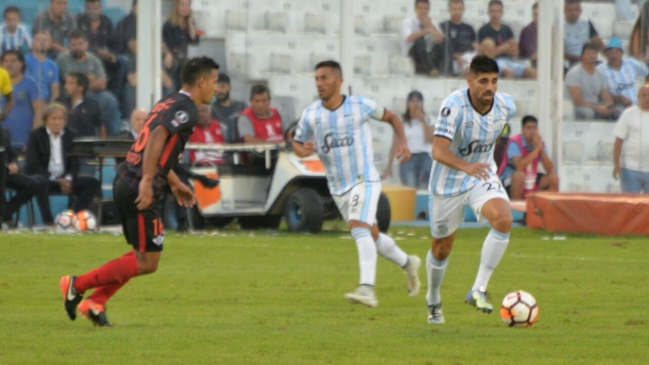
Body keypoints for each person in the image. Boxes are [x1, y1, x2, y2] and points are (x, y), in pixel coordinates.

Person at [58, 57, 218, 326]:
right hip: (139, 185)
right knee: (148, 261)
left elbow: (156, 147)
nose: (216, 86)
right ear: (201, 82)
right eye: (214, 81)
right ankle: (76, 284)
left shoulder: (168, 101)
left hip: (128, 179)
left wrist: (175, 183)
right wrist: (147, 180)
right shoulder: (187, 109)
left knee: (141, 256)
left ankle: (95, 302)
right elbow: (157, 137)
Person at [293, 60, 421, 308]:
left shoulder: (360, 106)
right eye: (317, 79)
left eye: (325, 78)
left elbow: (392, 117)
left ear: (339, 81)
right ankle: (408, 263)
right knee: (371, 234)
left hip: (365, 179)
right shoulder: (310, 114)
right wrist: (302, 150)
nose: (319, 83)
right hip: (338, 187)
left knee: (358, 227)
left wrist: (403, 142)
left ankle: (367, 289)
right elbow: (297, 143)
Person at [426, 55, 516, 324]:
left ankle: (478, 288)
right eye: (483, 81)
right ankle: (433, 299)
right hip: (447, 184)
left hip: (480, 175)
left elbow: (495, 134)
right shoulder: (453, 105)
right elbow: (438, 150)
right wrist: (465, 166)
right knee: (442, 249)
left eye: (494, 81)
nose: (490, 87)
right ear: (469, 80)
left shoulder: (506, 106)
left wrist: (480, 164)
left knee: (503, 219)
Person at [25, 103, 101, 225]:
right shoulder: (35, 136)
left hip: (66, 179)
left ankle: (72, 219)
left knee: (92, 182)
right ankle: (48, 223)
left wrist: (68, 179)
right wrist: (56, 179)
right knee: (40, 182)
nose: (57, 122)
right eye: (53, 119)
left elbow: (75, 164)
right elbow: (33, 165)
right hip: (46, 179)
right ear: (46, 120)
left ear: (65, 121)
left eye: (60, 119)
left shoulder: (71, 135)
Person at [56, 29, 121, 136]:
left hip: (93, 93)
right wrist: (89, 78)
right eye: (74, 44)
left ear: (87, 44)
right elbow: (71, 81)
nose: (77, 47)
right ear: (68, 46)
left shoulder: (94, 59)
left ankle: (110, 138)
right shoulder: (63, 59)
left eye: (80, 44)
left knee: (110, 101)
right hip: (71, 94)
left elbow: (102, 83)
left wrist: (83, 83)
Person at [497, 115, 559, 200]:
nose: (532, 131)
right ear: (522, 130)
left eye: (534, 128)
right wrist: (536, 150)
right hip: (510, 180)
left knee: (553, 178)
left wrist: (541, 150)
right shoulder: (514, 142)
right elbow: (519, 167)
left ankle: (548, 210)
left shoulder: (540, 143)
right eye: (528, 128)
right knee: (519, 175)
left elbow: (550, 169)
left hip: (530, 177)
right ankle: (517, 211)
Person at [383, 91, 433, 189]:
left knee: (425, 189)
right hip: (408, 159)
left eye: (418, 101)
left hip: (425, 158)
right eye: (412, 101)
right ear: (407, 104)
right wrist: (389, 167)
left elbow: (430, 140)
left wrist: (423, 121)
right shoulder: (401, 120)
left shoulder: (428, 119)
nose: (416, 104)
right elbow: (395, 144)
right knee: (410, 188)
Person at [478, 0, 536, 79]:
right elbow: (488, 54)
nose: (495, 14)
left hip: (510, 61)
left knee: (532, 72)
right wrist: (505, 47)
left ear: (502, 13)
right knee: (509, 72)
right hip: (494, 62)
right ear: (488, 12)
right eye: (493, 11)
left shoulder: (507, 29)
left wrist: (498, 49)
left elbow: (515, 51)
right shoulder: (484, 30)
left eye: (498, 11)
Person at [76, 0, 124, 96]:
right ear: (85, 9)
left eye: (95, 9)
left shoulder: (106, 22)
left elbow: (115, 42)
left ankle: (116, 93)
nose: (92, 11)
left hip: (106, 55)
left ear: (100, 9)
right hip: (87, 55)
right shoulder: (79, 21)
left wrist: (112, 54)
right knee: (98, 60)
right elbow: (77, 43)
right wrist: (98, 51)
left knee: (123, 61)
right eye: (89, 9)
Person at [1, 50, 42, 150]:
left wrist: (33, 140)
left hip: (23, 142)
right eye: (6, 61)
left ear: (22, 64)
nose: (9, 64)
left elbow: (39, 113)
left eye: (13, 61)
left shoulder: (31, 84)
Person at [566, 42, 617, 120]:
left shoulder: (600, 74)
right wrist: (598, 108)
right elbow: (577, 100)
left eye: (594, 53)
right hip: (580, 107)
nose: (591, 55)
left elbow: (606, 96)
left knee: (617, 112)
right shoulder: (575, 73)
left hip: (596, 106)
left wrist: (608, 105)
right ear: (582, 56)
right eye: (588, 53)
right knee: (588, 113)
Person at [1, 127, 41, 226]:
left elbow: (12, 155)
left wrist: (13, 163)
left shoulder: (3, 131)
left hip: (5, 173)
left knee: (33, 185)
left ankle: (5, 214)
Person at [613, 84, 649, 193]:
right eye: (644, 95)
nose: (647, 98)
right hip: (630, 169)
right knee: (630, 207)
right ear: (638, 97)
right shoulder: (628, 114)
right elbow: (619, 140)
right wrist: (616, 165)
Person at [598, 37, 649, 113]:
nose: (614, 55)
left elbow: (646, 72)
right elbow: (600, 94)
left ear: (622, 53)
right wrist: (620, 98)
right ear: (606, 54)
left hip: (636, 103)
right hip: (617, 105)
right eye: (610, 52)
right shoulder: (600, 70)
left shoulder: (631, 63)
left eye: (617, 52)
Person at [163, 0, 201, 90]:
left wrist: (191, 21)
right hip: (172, 59)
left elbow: (195, 40)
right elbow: (165, 43)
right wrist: (168, 54)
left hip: (183, 60)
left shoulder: (189, 25)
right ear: (176, 6)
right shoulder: (169, 24)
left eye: (187, 5)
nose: (185, 8)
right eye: (182, 4)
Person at [400, 0, 445, 76]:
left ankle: (446, 71)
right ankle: (431, 70)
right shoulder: (407, 22)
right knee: (419, 40)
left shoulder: (432, 23)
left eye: (426, 8)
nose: (423, 11)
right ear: (415, 9)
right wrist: (426, 31)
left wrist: (431, 26)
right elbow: (409, 38)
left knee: (443, 43)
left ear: (429, 10)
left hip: (428, 53)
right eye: (420, 8)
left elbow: (441, 39)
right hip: (414, 53)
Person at [59, 72, 104, 138]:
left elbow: (101, 126)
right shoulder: (60, 103)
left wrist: (101, 145)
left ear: (80, 87)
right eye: (66, 83)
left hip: (84, 145)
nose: (66, 87)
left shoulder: (92, 105)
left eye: (70, 83)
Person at [437, 0, 477, 76]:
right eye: (454, 9)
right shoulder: (443, 26)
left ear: (463, 10)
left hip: (467, 57)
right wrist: (457, 56)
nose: (457, 12)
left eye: (459, 9)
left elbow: (474, 45)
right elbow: (442, 48)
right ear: (449, 10)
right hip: (452, 60)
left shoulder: (469, 28)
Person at [564, 0, 605, 68]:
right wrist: (577, 58)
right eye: (570, 10)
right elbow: (556, 51)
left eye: (576, 10)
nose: (574, 13)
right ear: (564, 11)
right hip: (569, 61)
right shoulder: (559, 26)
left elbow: (598, 42)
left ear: (581, 11)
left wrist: (610, 59)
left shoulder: (586, 23)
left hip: (587, 58)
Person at [26, 31, 61, 103]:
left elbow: (55, 90)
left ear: (48, 44)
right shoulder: (25, 61)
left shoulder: (53, 65)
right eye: (39, 40)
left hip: (45, 102)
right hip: (27, 100)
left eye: (45, 40)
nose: (42, 42)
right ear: (32, 44)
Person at [211, 73, 245, 139]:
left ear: (229, 88)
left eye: (222, 87)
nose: (219, 91)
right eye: (217, 87)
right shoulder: (211, 109)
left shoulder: (241, 106)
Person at [519, 2, 538, 67]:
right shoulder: (526, 31)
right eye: (536, 15)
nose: (538, 18)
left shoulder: (550, 31)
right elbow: (532, 56)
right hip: (530, 63)